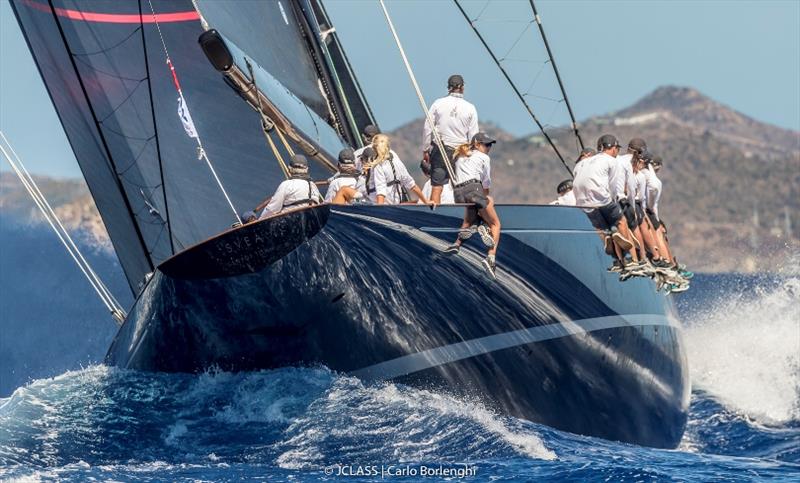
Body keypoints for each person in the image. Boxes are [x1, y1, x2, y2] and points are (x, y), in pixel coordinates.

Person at [572, 134, 637, 274]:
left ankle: (615, 257)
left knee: (600, 227)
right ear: (613, 148)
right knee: (621, 221)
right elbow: (613, 187)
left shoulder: (580, 164)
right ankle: (628, 258)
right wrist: (615, 204)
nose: (617, 152)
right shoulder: (611, 161)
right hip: (601, 200)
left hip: (583, 203)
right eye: (617, 148)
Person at [443, 132, 501, 279]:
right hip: (474, 189)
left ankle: (457, 244)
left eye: (490, 145)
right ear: (477, 144)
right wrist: (485, 197)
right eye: (486, 144)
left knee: (470, 220)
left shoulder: (461, 157)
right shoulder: (483, 158)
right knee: (495, 223)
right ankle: (491, 258)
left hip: (458, 194)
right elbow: (486, 183)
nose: (489, 148)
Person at [421, 74, 479, 204]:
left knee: (437, 187)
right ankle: (464, 218)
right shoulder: (470, 108)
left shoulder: (438, 103)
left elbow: (427, 127)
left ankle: (435, 215)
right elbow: (473, 136)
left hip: (441, 151)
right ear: (463, 88)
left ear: (448, 88)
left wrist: (425, 150)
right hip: (461, 152)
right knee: (463, 187)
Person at [370, 134, 432, 206]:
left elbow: (381, 191)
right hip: (397, 204)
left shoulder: (379, 165)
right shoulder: (394, 157)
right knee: (416, 201)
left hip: (387, 207)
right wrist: (425, 201)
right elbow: (411, 184)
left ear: (374, 148)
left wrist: (379, 210)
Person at [260, 154, 323, 219]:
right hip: (309, 220)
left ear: (289, 169)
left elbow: (272, 209)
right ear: (306, 169)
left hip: (289, 221)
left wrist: (259, 220)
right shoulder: (313, 186)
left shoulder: (286, 185)